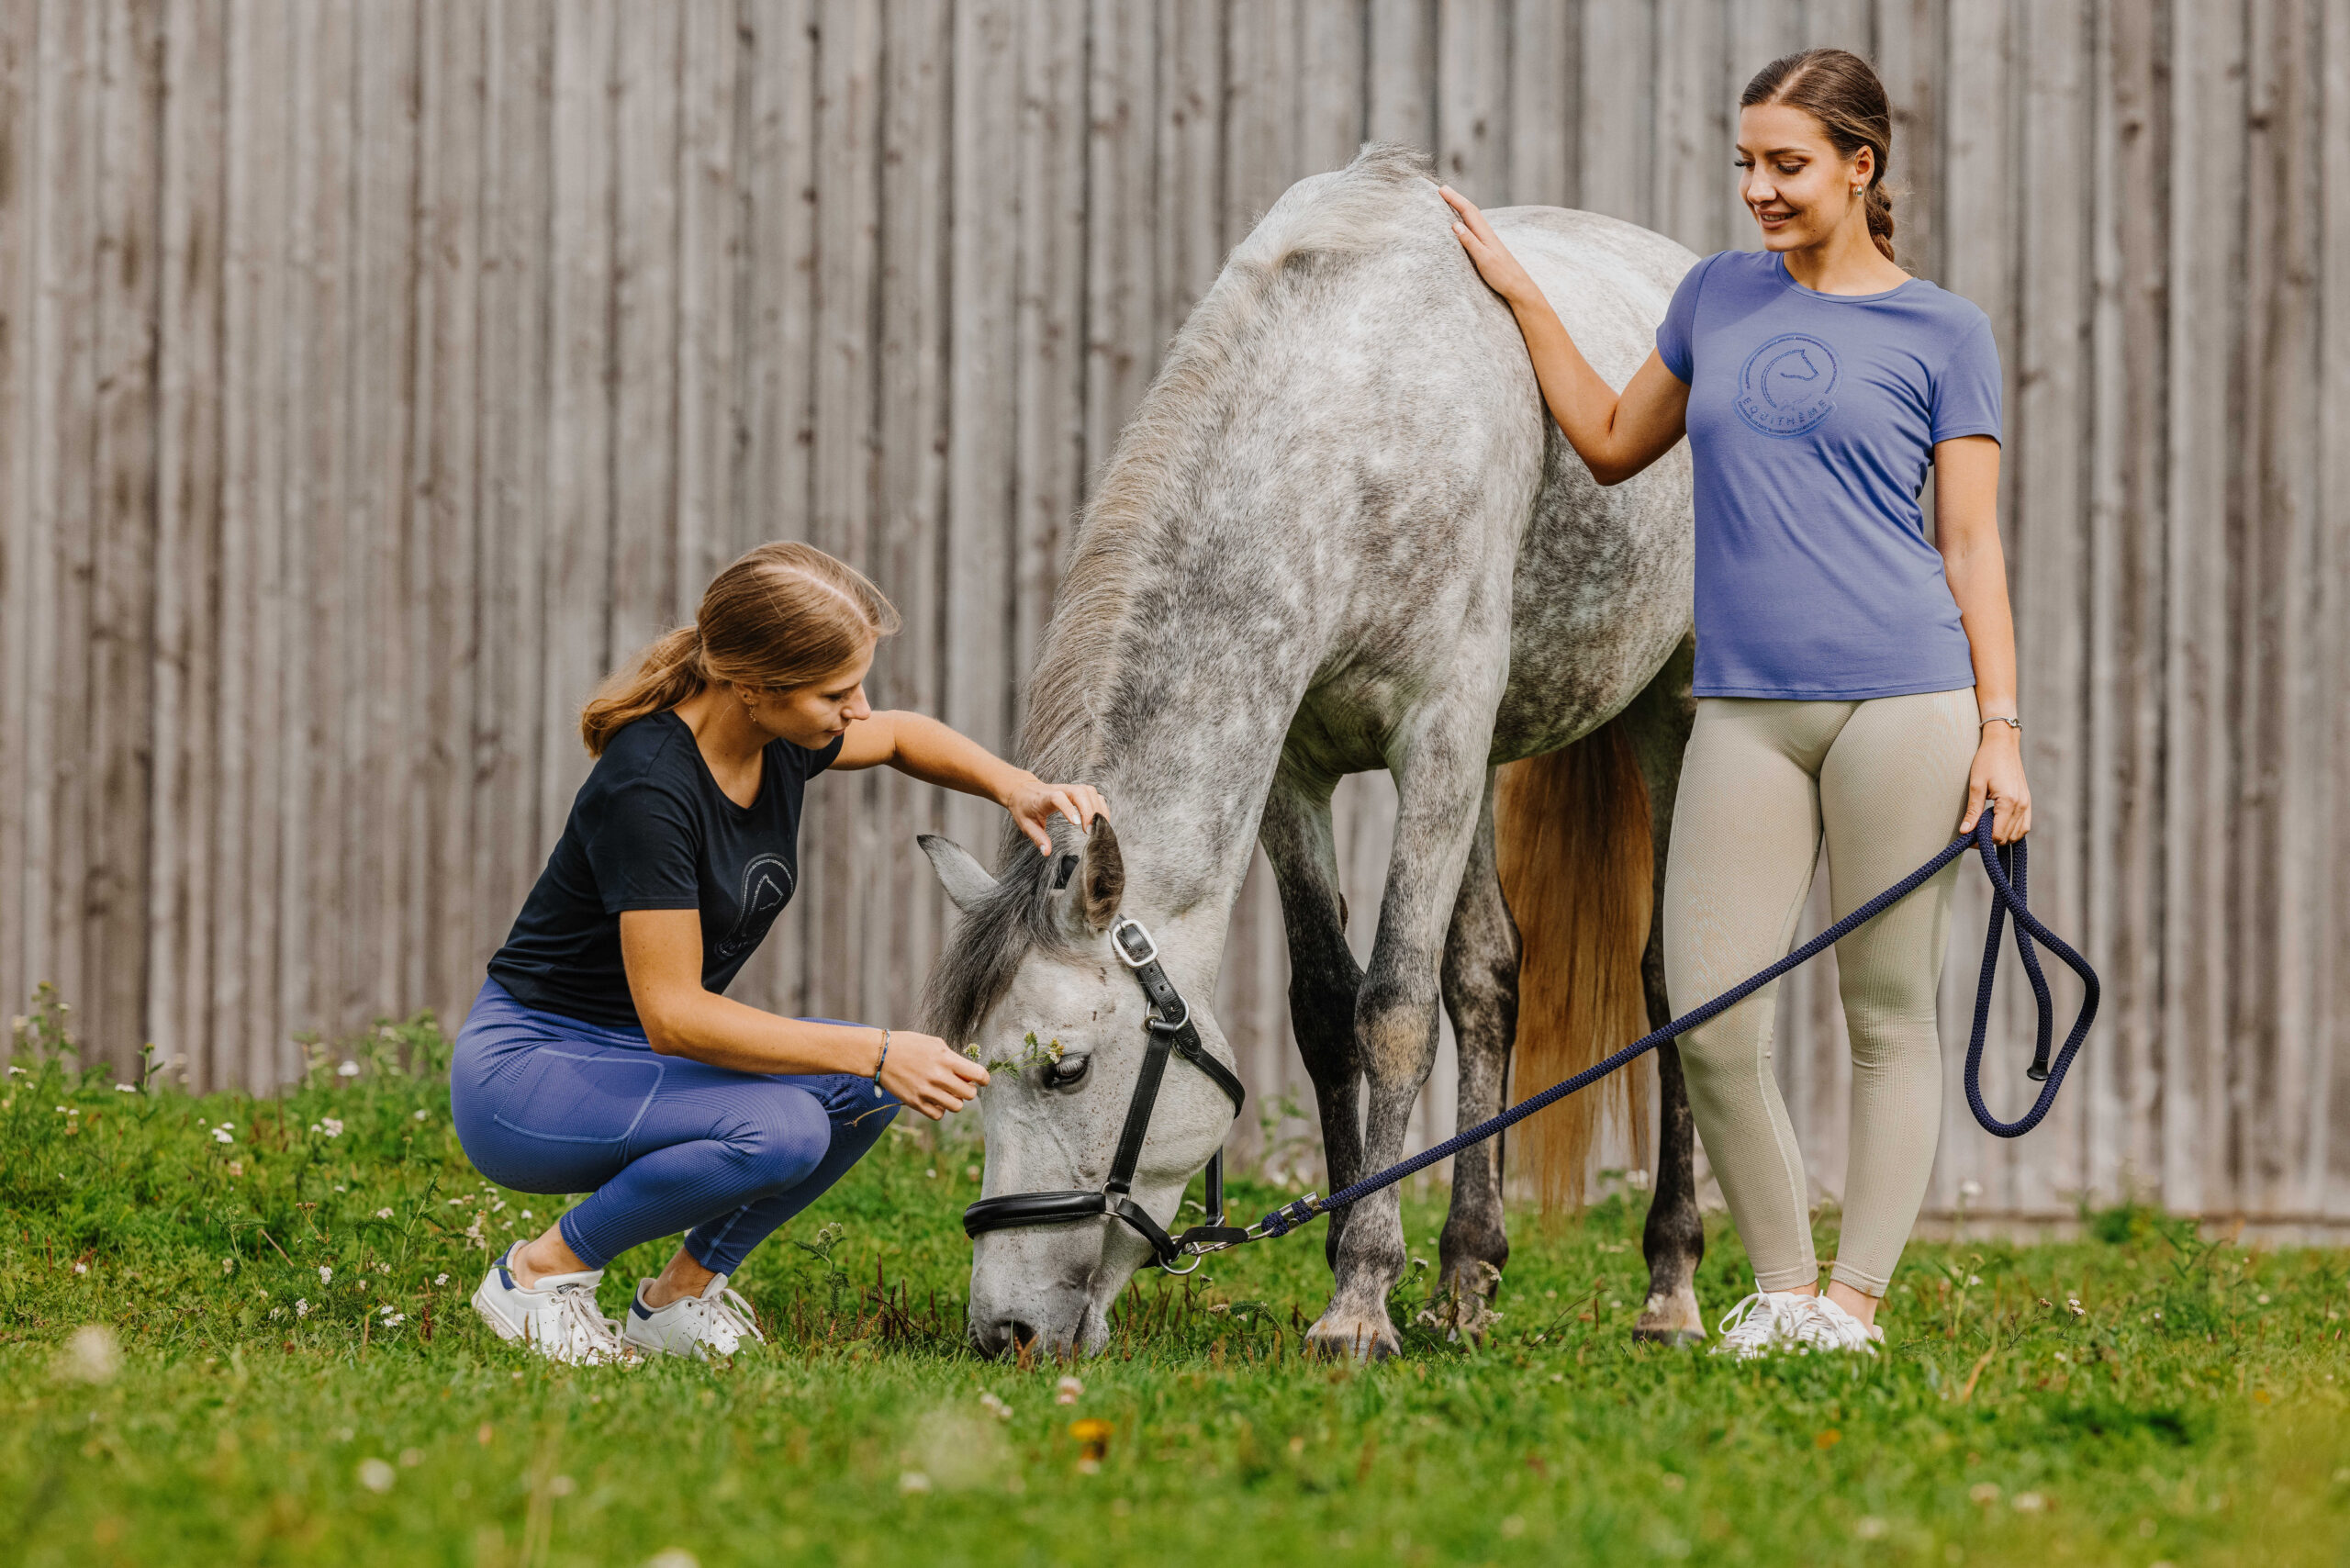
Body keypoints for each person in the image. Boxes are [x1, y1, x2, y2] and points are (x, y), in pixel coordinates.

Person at [1441, 47, 2028, 1358]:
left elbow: (1970, 544)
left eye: (1787, 165)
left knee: (1887, 1014)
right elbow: (1608, 441)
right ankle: (1781, 1292)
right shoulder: (1712, 297)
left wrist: (2000, 731)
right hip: (1744, 709)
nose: (1758, 188)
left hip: (1906, 702)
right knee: (1710, 1017)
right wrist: (1525, 294)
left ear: (1859, 168)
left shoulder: (1944, 332)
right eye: (1746, 163)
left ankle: (1851, 1307)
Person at [450, 542, 1106, 1363]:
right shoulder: (648, 789)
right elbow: (674, 1017)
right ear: (752, 688)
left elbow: (901, 738)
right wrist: (877, 1048)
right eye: (835, 693)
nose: (858, 710)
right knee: (786, 1129)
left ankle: (678, 1299)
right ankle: (539, 1276)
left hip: (633, 1063)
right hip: (530, 1076)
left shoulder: (777, 739)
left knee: (862, 1092)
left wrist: (1016, 787)